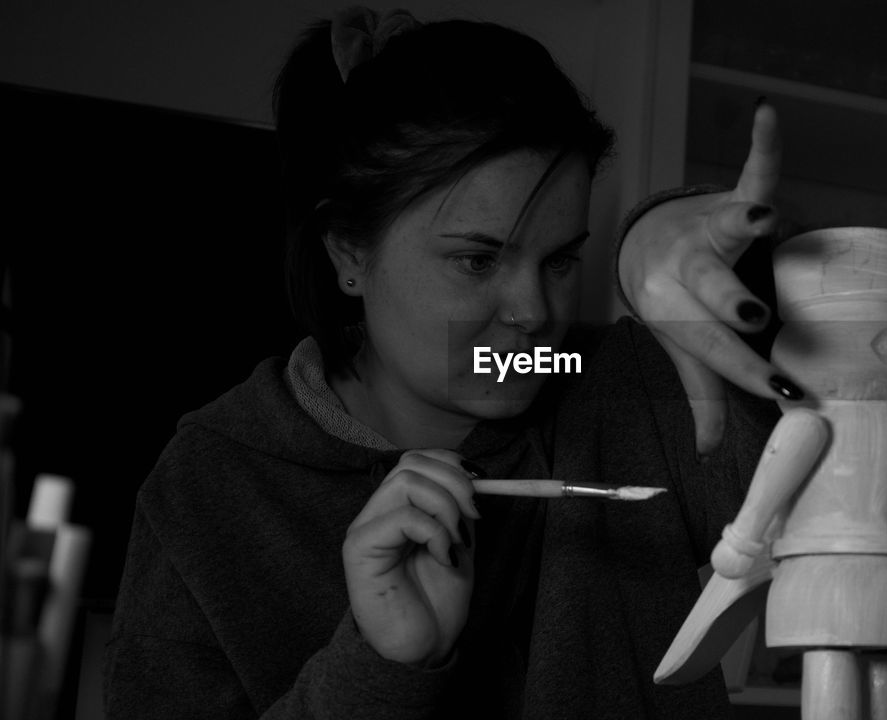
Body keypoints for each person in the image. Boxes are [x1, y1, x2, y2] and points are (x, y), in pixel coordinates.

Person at [103, 8, 804, 719]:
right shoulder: (207, 488)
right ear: (348, 249)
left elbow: (872, 456)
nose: (533, 312)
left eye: (561, 258)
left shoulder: (613, 384)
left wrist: (723, 266)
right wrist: (381, 668)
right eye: (477, 259)